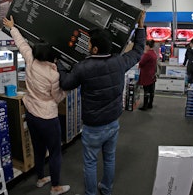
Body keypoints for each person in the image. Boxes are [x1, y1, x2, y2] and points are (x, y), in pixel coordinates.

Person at [57, 11, 146, 195]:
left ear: (95, 49)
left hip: (93, 126)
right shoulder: (119, 62)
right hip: (113, 122)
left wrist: (59, 64)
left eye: (89, 42)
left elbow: (65, 83)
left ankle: (91, 193)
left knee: (90, 162)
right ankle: (106, 189)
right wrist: (140, 26)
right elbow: (138, 51)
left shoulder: (83, 68)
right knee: (109, 158)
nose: (87, 44)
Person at [3, 16, 70, 195]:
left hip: (31, 113)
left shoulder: (30, 60)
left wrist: (12, 27)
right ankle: (55, 187)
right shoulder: (53, 75)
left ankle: (40, 178)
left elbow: (21, 44)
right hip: (48, 117)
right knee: (55, 152)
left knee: (38, 149)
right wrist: (66, 92)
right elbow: (56, 98)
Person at [138, 39, 158, 110]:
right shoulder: (154, 53)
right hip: (152, 75)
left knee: (146, 91)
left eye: (146, 45)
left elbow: (141, 63)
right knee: (151, 91)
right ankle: (150, 104)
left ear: (148, 46)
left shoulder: (147, 54)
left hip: (146, 75)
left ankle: (145, 106)